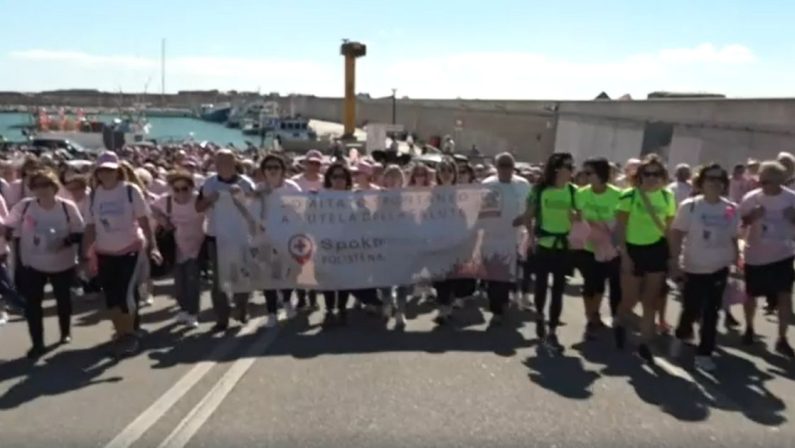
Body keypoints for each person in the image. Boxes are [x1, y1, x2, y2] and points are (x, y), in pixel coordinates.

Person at [82, 152, 158, 357]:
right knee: (111, 297)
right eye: (102, 170)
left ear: (118, 171)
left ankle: (129, 335)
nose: (106, 173)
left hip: (130, 249)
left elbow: (144, 222)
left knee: (125, 294)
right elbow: (90, 225)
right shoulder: (94, 195)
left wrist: (154, 247)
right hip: (105, 252)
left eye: (110, 170)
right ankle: (121, 332)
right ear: (97, 173)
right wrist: (85, 253)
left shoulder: (130, 191)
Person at [4, 169, 83, 359]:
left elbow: (79, 232)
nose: (41, 190)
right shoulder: (25, 207)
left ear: (54, 186)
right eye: (36, 186)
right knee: (33, 305)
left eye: (45, 185)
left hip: (62, 263)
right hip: (32, 264)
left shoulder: (66, 207)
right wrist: (8, 232)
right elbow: (8, 224)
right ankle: (37, 343)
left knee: (63, 299)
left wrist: (63, 242)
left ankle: (65, 331)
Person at [668, 164, 739, 371]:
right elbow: (676, 234)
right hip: (694, 267)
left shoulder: (730, 209)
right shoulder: (690, 206)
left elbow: (733, 236)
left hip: (719, 267)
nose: (716, 183)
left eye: (720, 179)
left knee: (712, 312)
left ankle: (704, 352)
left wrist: (735, 260)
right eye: (711, 179)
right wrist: (674, 262)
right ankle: (681, 334)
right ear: (701, 182)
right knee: (691, 308)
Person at [613, 154, 676, 364]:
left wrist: (674, 258)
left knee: (650, 301)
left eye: (657, 174)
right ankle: (620, 321)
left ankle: (645, 343)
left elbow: (668, 230)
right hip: (633, 250)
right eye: (647, 174)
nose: (652, 178)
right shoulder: (629, 196)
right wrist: (625, 256)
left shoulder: (668, 198)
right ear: (639, 176)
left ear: (663, 177)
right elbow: (620, 228)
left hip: (656, 251)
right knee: (629, 300)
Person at [515, 152, 577, 350]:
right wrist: (531, 237)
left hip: (563, 245)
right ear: (558, 169)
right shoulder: (540, 190)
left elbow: (581, 219)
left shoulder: (574, 192)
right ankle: (540, 315)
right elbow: (528, 215)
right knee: (541, 286)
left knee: (559, 290)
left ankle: (552, 330)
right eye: (569, 166)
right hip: (543, 244)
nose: (572, 170)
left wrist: (576, 218)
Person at [738, 161, 795, 358]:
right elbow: (738, 223)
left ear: (780, 181)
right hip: (756, 255)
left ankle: (782, 338)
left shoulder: (791, 199)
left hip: (783, 254)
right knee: (751, 295)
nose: (762, 185)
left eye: (767, 182)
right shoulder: (751, 198)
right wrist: (751, 217)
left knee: (784, 296)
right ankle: (749, 328)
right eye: (760, 181)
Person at [196, 149, 255, 332]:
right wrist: (209, 200)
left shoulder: (245, 183)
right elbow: (198, 207)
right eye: (219, 162)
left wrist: (242, 198)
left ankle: (241, 307)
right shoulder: (209, 183)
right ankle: (222, 318)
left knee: (242, 276)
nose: (223, 166)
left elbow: (258, 208)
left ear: (234, 163)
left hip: (241, 237)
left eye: (227, 162)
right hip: (216, 236)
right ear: (215, 164)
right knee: (219, 281)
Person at [576, 157, 622, 340]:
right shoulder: (581, 194)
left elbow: (622, 220)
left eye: (589, 173)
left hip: (611, 248)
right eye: (584, 173)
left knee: (605, 284)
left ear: (601, 174)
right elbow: (577, 217)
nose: (585, 176)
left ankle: (604, 316)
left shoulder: (618, 194)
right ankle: (592, 317)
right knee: (590, 284)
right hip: (587, 246)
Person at [152, 171, 205, 329]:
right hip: (176, 246)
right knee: (179, 282)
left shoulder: (198, 200)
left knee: (192, 280)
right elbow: (152, 208)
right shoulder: (166, 201)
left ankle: (193, 313)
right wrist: (164, 221)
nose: (181, 192)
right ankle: (183, 309)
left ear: (191, 187)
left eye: (185, 188)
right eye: (177, 189)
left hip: (197, 245)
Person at [253, 155, 300, 328]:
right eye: (269, 167)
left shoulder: (293, 188)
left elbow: (302, 212)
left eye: (276, 167)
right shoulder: (258, 190)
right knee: (268, 278)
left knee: (289, 274)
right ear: (264, 171)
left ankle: (287, 300)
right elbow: (253, 214)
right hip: (265, 240)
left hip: (288, 239)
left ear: (282, 170)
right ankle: (271, 312)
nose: (273, 170)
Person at [485, 152, 532, 313]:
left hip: (514, 236)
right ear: (496, 168)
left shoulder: (523, 185)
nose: (505, 170)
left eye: (508, 166)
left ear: (514, 168)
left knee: (507, 274)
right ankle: (495, 306)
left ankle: (503, 303)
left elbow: (531, 206)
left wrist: (524, 218)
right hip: (491, 237)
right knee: (493, 274)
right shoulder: (487, 184)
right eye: (502, 166)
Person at [321, 163, 354, 325]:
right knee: (328, 278)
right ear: (329, 179)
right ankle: (328, 309)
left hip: (348, 244)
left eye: (342, 177)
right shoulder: (320, 197)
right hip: (327, 244)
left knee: (344, 278)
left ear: (347, 179)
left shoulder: (354, 197)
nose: (338, 180)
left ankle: (341, 308)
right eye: (335, 177)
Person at [379, 165, 409, 328]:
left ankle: (401, 311)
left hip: (403, 243)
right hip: (384, 242)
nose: (392, 180)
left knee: (403, 279)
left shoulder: (408, 197)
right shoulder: (377, 196)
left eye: (396, 176)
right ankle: (387, 302)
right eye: (389, 176)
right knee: (385, 277)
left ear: (401, 179)